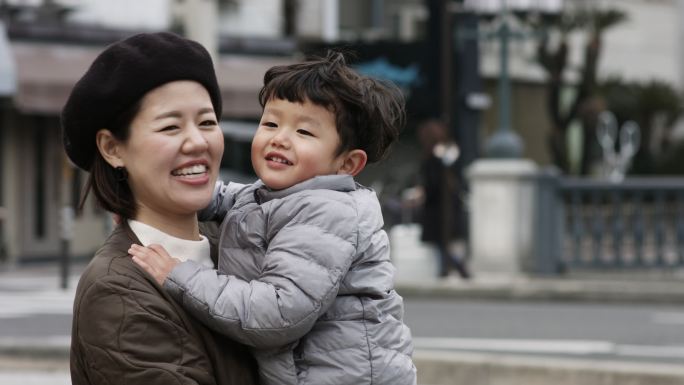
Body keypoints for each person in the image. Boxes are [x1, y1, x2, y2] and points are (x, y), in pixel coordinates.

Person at [128, 51, 417, 385]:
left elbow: (278, 314)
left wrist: (181, 276)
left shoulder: (326, 213)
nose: (280, 138)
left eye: (304, 132)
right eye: (270, 123)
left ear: (347, 164)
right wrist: (163, 194)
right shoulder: (277, 195)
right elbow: (228, 198)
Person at [62, 32, 258, 385]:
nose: (198, 141)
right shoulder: (118, 292)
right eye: (170, 126)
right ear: (112, 148)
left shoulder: (242, 243)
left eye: (207, 122)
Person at [417, 119, 471, 279]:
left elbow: (432, 183)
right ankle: (448, 269)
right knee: (442, 242)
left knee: (441, 241)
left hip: (437, 207)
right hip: (448, 205)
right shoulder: (449, 154)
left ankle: (452, 268)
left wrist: (423, 194)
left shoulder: (432, 158)